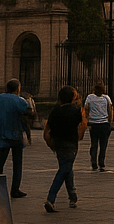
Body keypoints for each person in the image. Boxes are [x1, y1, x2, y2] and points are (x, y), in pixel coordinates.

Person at [43, 85, 86, 213]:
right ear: (73, 97)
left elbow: (48, 128)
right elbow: (83, 125)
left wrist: (50, 142)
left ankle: (73, 196)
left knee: (67, 168)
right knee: (64, 170)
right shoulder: (76, 111)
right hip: (71, 144)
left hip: (58, 143)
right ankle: (51, 199)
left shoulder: (55, 111)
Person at [0, 79, 29, 198]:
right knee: (17, 163)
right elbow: (26, 113)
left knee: (0, 161)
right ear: (17, 89)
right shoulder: (20, 100)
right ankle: (15, 189)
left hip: (1, 133)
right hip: (15, 134)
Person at [84, 81, 113, 171]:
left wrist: (88, 118)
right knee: (103, 145)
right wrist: (110, 121)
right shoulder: (106, 98)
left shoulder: (90, 97)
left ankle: (93, 162)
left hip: (93, 124)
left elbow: (86, 109)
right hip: (104, 124)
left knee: (94, 144)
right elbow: (110, 109)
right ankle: (101, 162)